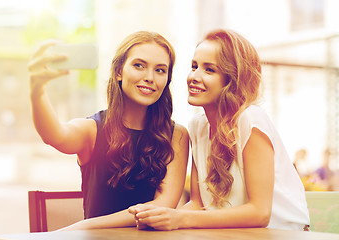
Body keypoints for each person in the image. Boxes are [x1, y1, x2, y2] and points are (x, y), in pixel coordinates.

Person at [129, 29, 310, 231]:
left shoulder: (250, 119)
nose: (194, 77)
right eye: (194, 66)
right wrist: (162, 216)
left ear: (231, 80)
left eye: (209, 70)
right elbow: (198, 205)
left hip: (282, 234)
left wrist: (179, 219)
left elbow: (260, 213)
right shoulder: (197, 127)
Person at [28, 31, 189, 230]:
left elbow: (163, 205)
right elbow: (53, 135)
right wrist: (37, 90)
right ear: (119, 72)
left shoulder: (176, 135)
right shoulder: (92, 130)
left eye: (160, 70)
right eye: (139, 65)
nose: (149, 77)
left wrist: (82, 227)